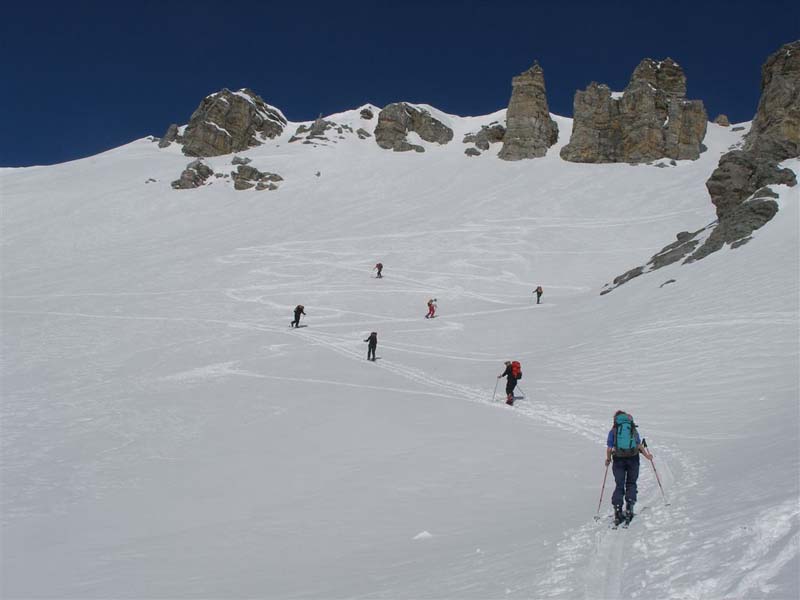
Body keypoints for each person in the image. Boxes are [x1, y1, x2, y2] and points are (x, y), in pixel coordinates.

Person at [605, 411, 654, 525]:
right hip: (633, 459)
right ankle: (629, 508)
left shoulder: (614, 431)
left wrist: (608, 459)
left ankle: (618, 510)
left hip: (618, 459)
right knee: (631, 483)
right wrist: (647, 456)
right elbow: (638, 445)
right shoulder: (632, 428)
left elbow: (609, 448)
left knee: (619, 484)